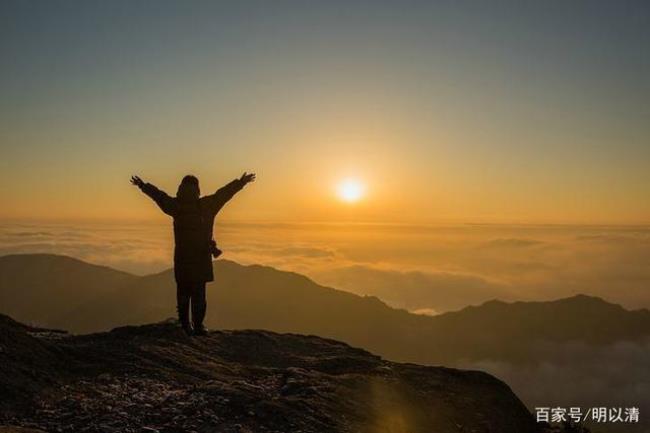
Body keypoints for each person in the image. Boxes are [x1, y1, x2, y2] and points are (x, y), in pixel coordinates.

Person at [131, 172, 256, 335]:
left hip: (182, 257)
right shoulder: (207, 205)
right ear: (197, 189)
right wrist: (241, 182)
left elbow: (159, 196)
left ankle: (185, 325)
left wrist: (143, 185)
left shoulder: (176, 206)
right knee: (199, 294)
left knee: (183, 292)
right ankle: (198, 326)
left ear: (180, 188)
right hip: (201, 257)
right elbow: (224, 194)